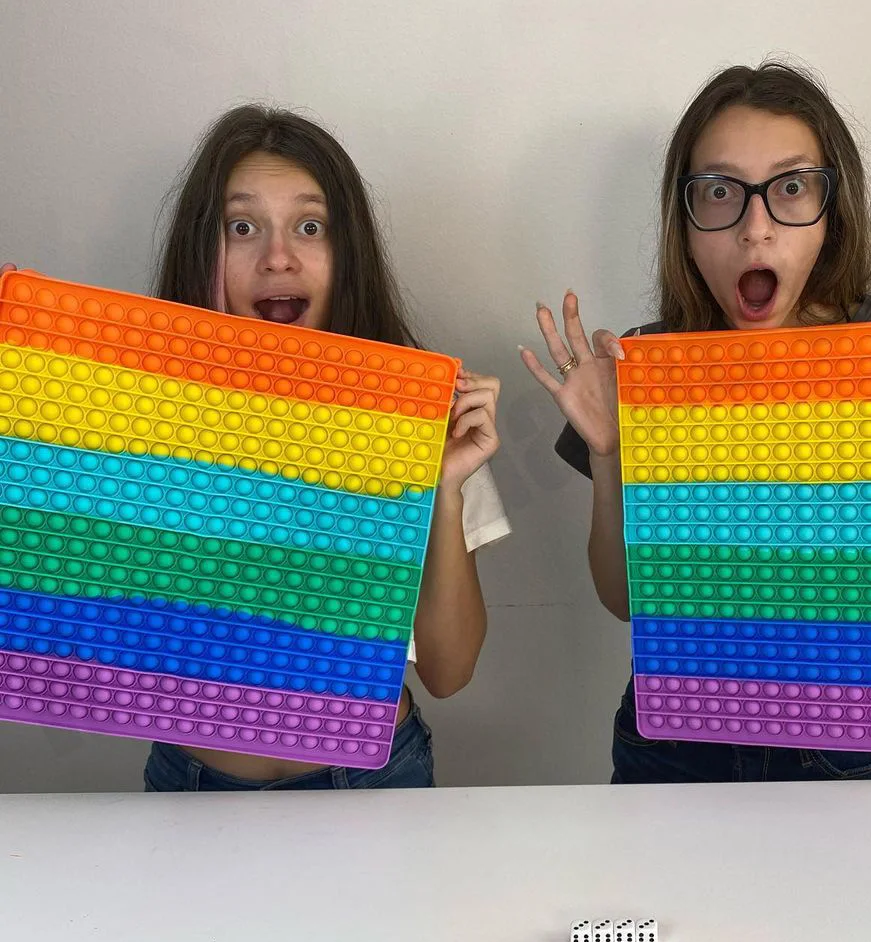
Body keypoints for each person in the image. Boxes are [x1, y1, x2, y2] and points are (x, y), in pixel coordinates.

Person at [5, 102, 511, 791]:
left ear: (349, 252)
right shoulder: (130, 411)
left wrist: (444, 487)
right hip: (192, 783)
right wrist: (30, 391)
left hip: (373, 778)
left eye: (311, 226)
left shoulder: (421, 411)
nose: (277, 257)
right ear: (202, 247)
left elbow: (449, 673)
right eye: (242, 227)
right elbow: (64, 623)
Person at [522, 60, 871, 782]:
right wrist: (610, 453)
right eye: (721, 191)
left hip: (846, 745)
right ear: (687, 221)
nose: (757, 231)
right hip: (671, 744)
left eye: (791, 187)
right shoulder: (644, 363)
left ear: (833, 211)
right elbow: (626, 602)